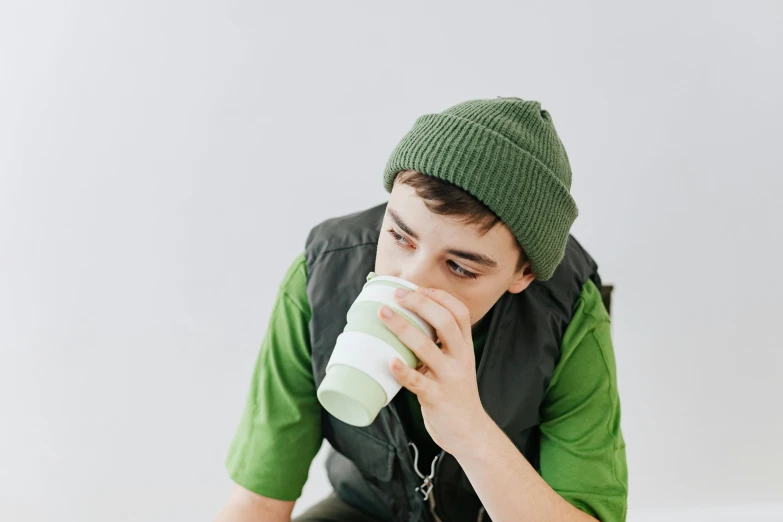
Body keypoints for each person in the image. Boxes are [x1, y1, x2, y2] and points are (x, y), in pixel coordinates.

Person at [214, 97, 628, 522]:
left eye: (459, 267)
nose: (412, 280)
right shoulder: (323, 278)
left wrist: (470, 431)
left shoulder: (567, 315)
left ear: (522, 274)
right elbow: (259, 502)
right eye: (399, 236)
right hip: (369, 510)